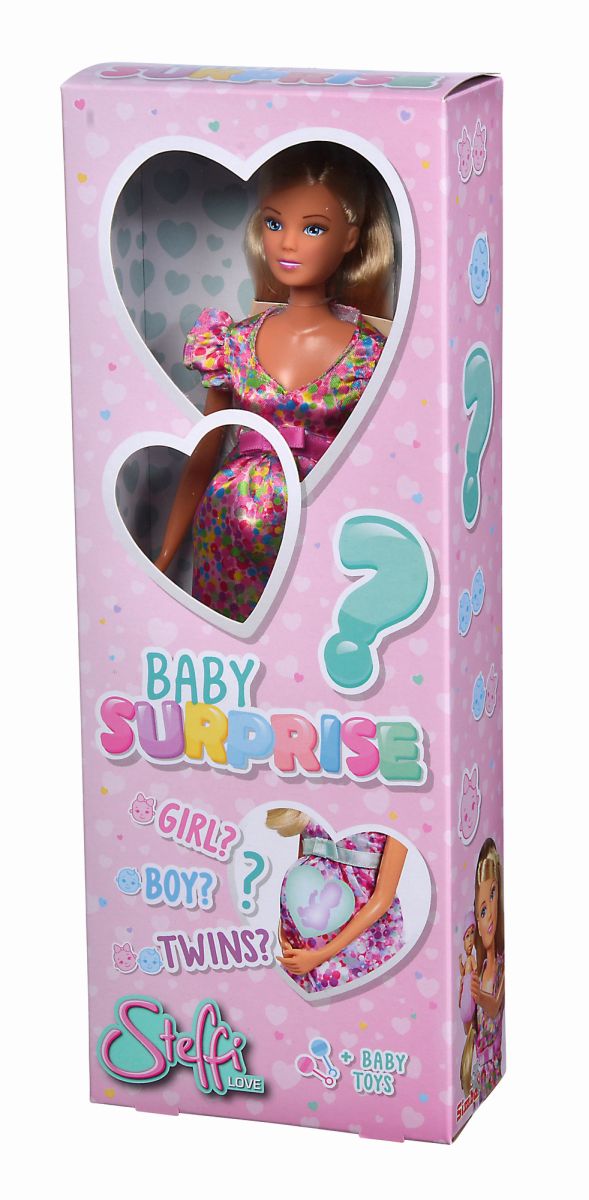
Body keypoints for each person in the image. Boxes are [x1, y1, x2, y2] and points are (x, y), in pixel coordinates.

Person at [154, 142, 395, 621]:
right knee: (234, 647)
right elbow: (205, 451)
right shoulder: (232, 341)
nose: (288, 244)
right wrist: (165, 553)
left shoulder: (370, 355)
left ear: (350, 238)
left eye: (313, 228)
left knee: (308, 637)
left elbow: (382, 468)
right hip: (225, 531)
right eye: (274, 223)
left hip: (316, 528)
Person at [266, 807, 407, 994]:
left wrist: (320, 956)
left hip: (361, 939)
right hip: (305, 938)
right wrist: (284, 933)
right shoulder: (314, 805)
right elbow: (299, 877)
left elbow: (383, 898)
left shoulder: (395, 812)